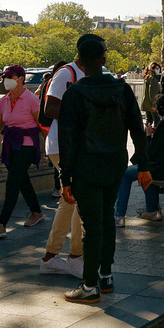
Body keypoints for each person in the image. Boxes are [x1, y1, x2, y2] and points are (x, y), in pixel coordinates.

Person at [58, 36, 151, 303]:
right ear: (104, 59)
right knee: (106, 218)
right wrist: (143, 164)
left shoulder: (74, 94)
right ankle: (106, 275)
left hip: (86, 165)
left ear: (79, 61)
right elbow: (138, 129)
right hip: (115, 163)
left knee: (92, 225)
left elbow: (68, 139)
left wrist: (66, 177)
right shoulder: (122, 90)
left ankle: (88, 286)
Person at [39, 37, 103, 279]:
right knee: (79, 199)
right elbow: (50, 108)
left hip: (71, 146)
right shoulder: (67, 73)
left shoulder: (81, 74)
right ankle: (76, 257)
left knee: (69, 201)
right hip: (63, 146)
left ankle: (51, 257)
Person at [0, 65, 46, 237]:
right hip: (10, 144)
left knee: (12, 181)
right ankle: (36, 212)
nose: (5, 80)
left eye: (9, 77)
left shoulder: (31, 99)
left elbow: (42, 125)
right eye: (4, 77)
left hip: (27, 145)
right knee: (22, 180)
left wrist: (53, 148)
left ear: (20, 79)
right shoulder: (4, 100)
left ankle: (1, 223)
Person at [115, 94, 164, 225]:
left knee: (127, 174)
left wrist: (148, 136)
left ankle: (119, 216)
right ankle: (151, 209)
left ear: (161, 109)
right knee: (148, 170)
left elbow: (150, 153)